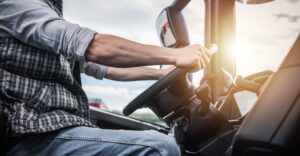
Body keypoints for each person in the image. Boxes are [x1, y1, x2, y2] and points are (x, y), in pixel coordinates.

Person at [0, 0, 211, 155]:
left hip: (55, 129)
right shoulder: (16, 5)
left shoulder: (48, 13)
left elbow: (106, 67)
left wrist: (161, 74)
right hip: (29, 135)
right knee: (159, 148)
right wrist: (175, 55)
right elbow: (95, 48)